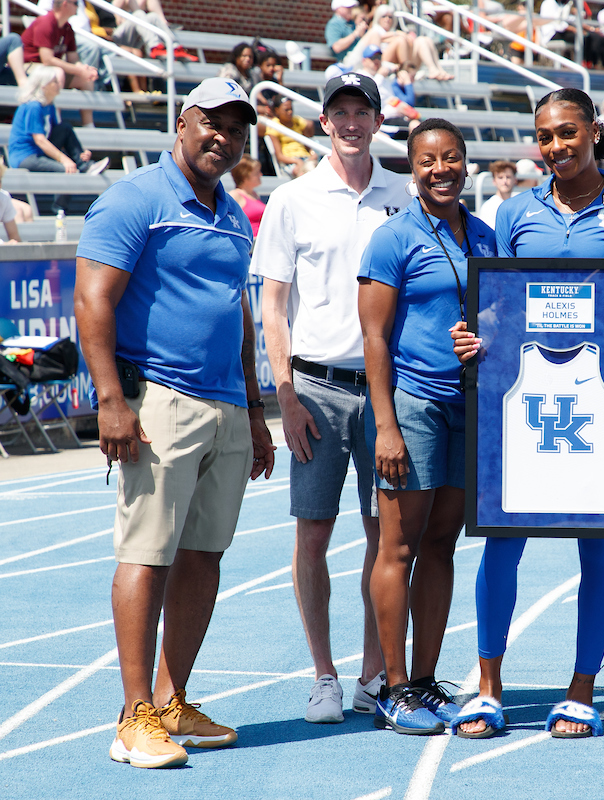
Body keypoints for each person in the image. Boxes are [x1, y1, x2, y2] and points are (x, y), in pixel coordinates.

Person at [449, 88, 604, 740]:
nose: (555, 148)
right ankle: (488, 687)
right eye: (544, 137)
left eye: (567, 134)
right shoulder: (513, 211)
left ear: (594, 131)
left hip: (602, 403)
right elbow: (497, 304)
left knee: (598, 546)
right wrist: (475, 336)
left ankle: (581, 691)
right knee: (502, 540)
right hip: (527, 399)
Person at [73, 77, 273, 769]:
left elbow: (237, 311)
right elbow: (93, 299)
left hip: (224, 405)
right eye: (212, 122)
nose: (224, 136)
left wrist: (253, 405)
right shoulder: (134, 199)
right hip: (158, 402)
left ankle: (172, 700)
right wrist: (111, 401)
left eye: (236, 127)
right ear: (182, 124)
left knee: (203, 557)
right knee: (147, 555)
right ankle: (133, 717)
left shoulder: (230, 213)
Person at [254, 74, 409, 726]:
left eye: (361, 111)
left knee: (386, 536)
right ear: (322, 122)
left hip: (387, 390)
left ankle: (375, 674)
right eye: (339, 111)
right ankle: (324, 674)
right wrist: (284, 396)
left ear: (377, 121)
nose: (350, 122)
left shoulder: (404, 194)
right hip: (315, 389)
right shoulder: (293, 199)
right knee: (313, 534)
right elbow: (274, 304)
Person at [357, 118, 496, 735]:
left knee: (442, 545)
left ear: (466, 164)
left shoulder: (488, 238)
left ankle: (424, 679)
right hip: (412, 405)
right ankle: (391, 687)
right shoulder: (393, 238)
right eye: (428, 161)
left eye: (452, 159)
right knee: (400, 546)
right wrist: (385, 424)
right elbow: (374, 337)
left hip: (470, 407)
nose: (440, 169)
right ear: (412, 169)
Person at [9, 66, 107, 176]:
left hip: (40, 152)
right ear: (43, 86)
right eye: (54, 82)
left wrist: (80, 153)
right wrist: (64, 159)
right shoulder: (33, 106)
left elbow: (58, 135)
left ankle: (84, 164)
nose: (59, 84)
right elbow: (39, 140)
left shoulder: (49, 106)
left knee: (65, 128)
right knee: (67, 170)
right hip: (25, 156)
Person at [21, 0, 97, 127]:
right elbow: (47, 59)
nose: (79, 6)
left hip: (50, 70)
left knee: (85, 80)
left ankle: (89, 126)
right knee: (57, 73)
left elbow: (73, 59)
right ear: (65, 3)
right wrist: (78, 70)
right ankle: (56, 123)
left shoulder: (67, 28)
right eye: (76, 3)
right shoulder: (45, 22)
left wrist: (85, 70)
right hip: (29, 67)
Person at [268, 95, 319, 177]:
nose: (290, 112)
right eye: (286, 110)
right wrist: (297, 161)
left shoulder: (298, 121)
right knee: (304, 172)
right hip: (290, 162)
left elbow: (307, 143)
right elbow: (279, 156)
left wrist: (313, 154)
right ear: (277, 110)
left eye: (291, 109)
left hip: (306, 157)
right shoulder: (274, 125)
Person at [326, 0, 370, 78]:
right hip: (346, 62)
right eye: (348, 7)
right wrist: (355, 34)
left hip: (359, 60)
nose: (351, 9)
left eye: (352, 7)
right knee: (374, 33)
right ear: (338, 9)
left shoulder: (352, 23)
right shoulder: (334, 24)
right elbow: (337, 47)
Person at [229, 156, 265, 238]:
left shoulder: (255, 194)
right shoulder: (235, 195)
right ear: (245, 175)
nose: (260, 175)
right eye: (256, 173)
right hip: (249, 243)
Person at [475, 158, 517, 229]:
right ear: (494, 181)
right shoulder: (488, 207)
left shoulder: (520, 202)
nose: (505, 181)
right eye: (500, 177)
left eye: (508, 177)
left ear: (515, 180)